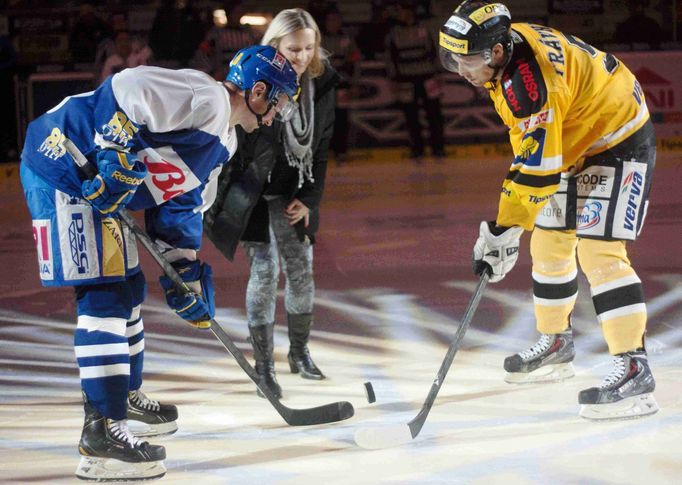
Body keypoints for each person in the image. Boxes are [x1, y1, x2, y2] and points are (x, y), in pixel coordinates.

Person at [20, 45, 298, 480]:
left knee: (127, 289)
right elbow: (127, 87)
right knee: (105, 295)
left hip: (94, 186)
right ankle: (101, 434)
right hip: (61, 166)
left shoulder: (223, 140)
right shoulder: (207, 98)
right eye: (279, 100)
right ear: (259, 92)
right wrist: (112, 153)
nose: (279, 112)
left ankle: (121, 396)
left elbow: (181, 205)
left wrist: (182, 266)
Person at [439, 1, 658, 420]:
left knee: (599, 253)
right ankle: (557, 343)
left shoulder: (530, 86)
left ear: (497, 52)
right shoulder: (507, 48)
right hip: (573, 137)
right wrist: (507, 229)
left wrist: (501, 231)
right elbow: (536, 156)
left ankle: (635, 369)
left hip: (617, 137)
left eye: (466, 60)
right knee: (550, 244)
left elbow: (537, 172)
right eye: (452, 57)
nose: (460, 69)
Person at [204, 8, 338, 399]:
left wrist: (309, 199)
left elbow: (322, 146)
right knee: (265, 270)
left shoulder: (322, 83)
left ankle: (300, 353)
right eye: (293, 49)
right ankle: (264, 368)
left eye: (309, 48)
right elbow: (234, 147)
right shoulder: (258, 79)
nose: (302, 57)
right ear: (275, 46)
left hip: (294, 186)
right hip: (249, 191)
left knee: (301, 268)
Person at [385, 1, 445, 161]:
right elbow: (390, 58)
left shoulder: (425, 29)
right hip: (406, 80)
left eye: (401, 11)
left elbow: (434, 51)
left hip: (428, 77)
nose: (399, 14)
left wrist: (438, 73)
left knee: (434, 114)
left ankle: (438, 148)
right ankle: (417, 149)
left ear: (409, 12)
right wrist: (393, 79)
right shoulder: (394, 33)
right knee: (411, 116)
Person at [321, 7, 360, 163]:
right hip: (323, 87)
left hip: (342, 85)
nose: (333, 24)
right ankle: (323, 151)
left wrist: (354, 83)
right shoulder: (319, 40)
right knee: (323, 120)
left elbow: (356, 61)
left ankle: (341, 151)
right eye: (330, 20)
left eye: (336, 20)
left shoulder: (347, 40)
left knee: (342, 119)